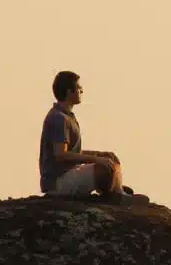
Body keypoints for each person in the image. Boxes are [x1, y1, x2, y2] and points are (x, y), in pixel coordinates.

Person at [39, 71, 146, 203]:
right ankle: (115, 195)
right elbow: (61, 154)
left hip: (68, 173)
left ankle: (118, 191)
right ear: (69, 91)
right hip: (58, 181)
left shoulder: (67, 116)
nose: (81, 90)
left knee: (110, 158)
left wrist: (100, 156)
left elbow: (72, 153)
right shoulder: (59, 118)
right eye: (78, 88)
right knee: (104, 169)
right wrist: (96, 159)